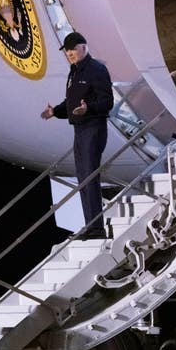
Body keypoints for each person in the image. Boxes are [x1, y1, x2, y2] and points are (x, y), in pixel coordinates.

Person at [41, 32, 113, 240]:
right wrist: (55, 111)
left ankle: (97, 229)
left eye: (72, 49)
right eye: (67, 51)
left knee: (90, 176)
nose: (69, 54)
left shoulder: (96, 70)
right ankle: (90, 225)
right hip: (79, 130)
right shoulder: (74, 71)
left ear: (83, 47)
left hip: (93, 128)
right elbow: (72, 103)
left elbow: (107, 102)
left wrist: (88, 108)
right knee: (83, 179)